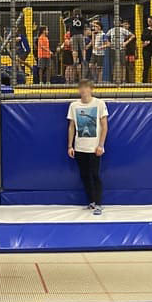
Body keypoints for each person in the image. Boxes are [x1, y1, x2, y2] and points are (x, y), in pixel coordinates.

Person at [67, 79, 109, 215]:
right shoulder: (74, 105)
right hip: (79, 148)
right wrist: (70, 146)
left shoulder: (99, 104)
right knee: (84, 175)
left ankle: (98, 204)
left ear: (91, 89)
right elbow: (72, 126)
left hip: (94, 148)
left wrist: (101, 145)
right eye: (81, 88)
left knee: (95, 174)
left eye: (86, 87)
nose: (84, 90)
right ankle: (91, 201)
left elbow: (104, 126)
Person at [65, 9, 88, 79]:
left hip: (74, 35)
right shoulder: (82, 18)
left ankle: (74, 61)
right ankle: (84, 59)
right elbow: (87, 22)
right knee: (83, 48)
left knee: (75, 49)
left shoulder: (71, 19)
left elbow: (65, 21)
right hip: (81, 35)